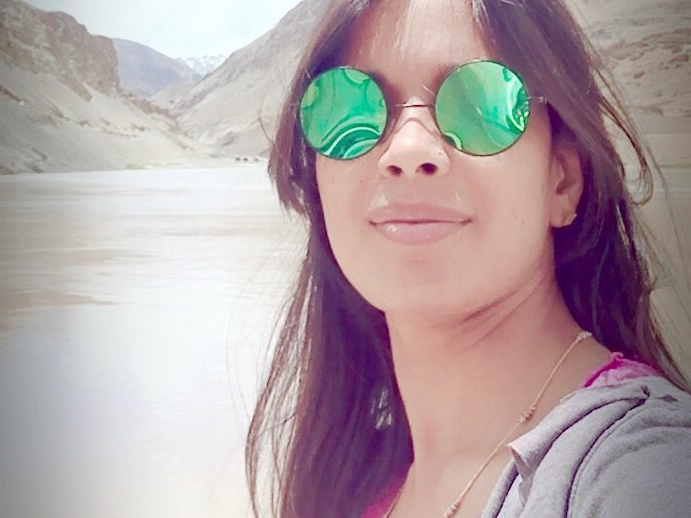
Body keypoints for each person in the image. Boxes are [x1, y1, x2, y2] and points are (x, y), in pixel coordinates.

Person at [245, 1, 691, 517]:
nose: (407, 150)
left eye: (479, 103)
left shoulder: (639, 468)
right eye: (349, 110)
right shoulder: (353, 482)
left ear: (562, 180)